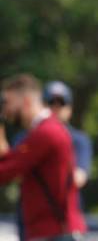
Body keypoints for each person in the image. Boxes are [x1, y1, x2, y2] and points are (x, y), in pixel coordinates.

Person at [0, 74, 86, 241]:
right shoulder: (44, 130)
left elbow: (6, 172)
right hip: (52, 231)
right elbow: (8, 159)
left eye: (9, 102)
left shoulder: (46, 132)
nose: (6, 110)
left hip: (55, 232)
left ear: (25, 101)